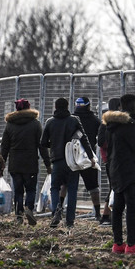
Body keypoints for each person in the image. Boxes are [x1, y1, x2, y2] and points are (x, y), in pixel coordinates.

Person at [104, 93, 135, 254]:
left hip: (115, 169)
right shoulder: (128, 124)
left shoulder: (112, 125)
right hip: (128, 170)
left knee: (118, 208)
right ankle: (131, 245)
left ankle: (117, 244)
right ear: (131, 106)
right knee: (132, 207)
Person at [41, 97, 95, 229]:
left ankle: (56, 211)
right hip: (72, 161)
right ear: (67, 107)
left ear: (55, 107)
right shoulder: (73, 120)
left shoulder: (50, 122)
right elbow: (84, 139)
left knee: (55, 187)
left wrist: (53, 145)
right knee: (72, 189)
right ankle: (70, 221)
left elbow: (42, 143)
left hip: (57, 160)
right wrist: (91, 157)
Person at [1, 98, 51, 226]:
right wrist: (47, 163)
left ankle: (18, 214)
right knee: (30, 189)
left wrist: (1, 165)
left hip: (15, 163)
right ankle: (29, 208)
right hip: (30, 162)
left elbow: (4, 147)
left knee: (18, 190)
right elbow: (42, 146)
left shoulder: (10, 124)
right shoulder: (35, 124)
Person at [66, 96, 103, 220]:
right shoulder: (94, 120)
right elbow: (102, 136)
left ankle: (61, 209)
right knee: (93, 186)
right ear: (88, 106)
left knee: (66, 184)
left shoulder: (70, 119)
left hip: (71, 155)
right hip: (88, 156)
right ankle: (97, 212)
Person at [96, 97, 120, 225]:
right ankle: (107, 215)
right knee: (114, 187)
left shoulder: (105, 122)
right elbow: (101, 142)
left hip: (110, 159)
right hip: (112, 159)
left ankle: (107, 215)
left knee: (113, 187)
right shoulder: (108, 123)